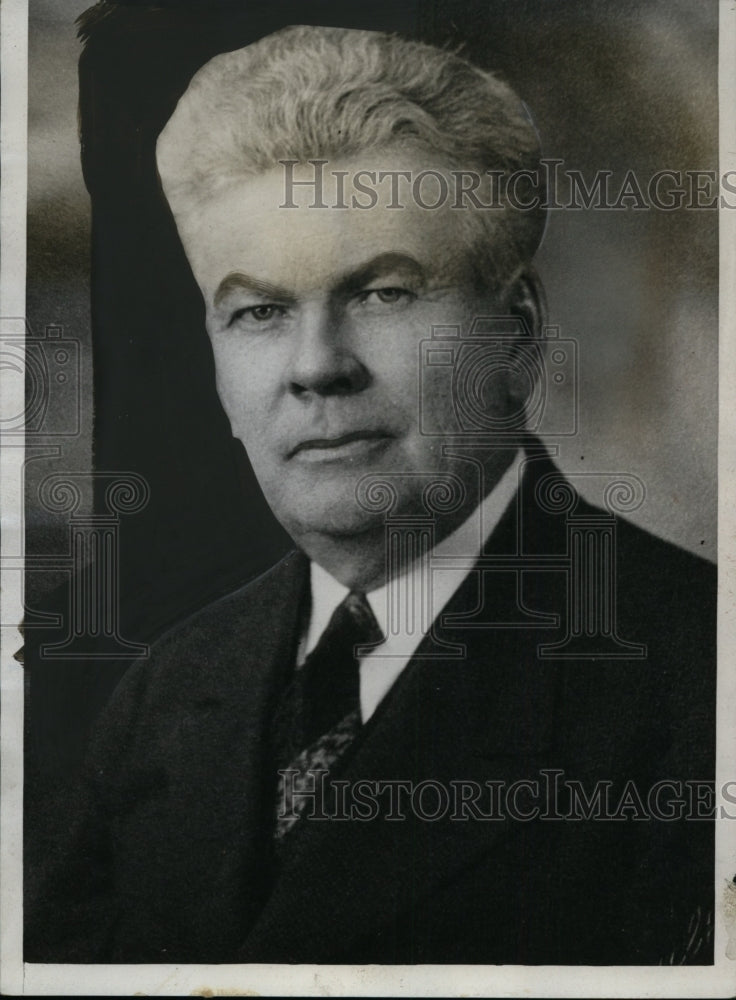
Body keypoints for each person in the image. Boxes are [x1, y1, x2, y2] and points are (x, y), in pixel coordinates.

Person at [25, 25, 715, 965]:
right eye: (259, 312)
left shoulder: (700, 686)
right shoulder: (169, 695)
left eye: (384, 293)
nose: (316, 367)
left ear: (515, 333)